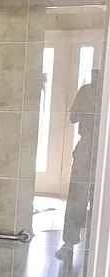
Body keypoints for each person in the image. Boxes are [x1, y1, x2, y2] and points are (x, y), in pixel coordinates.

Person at [55, 70, 99, 260]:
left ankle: (72, 244)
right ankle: (73, 244)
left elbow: (73, 116)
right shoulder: (87, 90)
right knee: (82, 195)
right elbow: (73, 117)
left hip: (91, 147)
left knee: (81, 196)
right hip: (89, 147)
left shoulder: (87, 90)